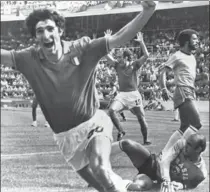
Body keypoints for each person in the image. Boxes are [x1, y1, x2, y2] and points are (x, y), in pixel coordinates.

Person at [0, 2, 157, 192]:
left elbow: (118, 38)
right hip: (64, 138)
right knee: (104, 186)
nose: (46, 35)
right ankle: (144, 184)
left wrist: (147, 12)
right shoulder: (29, 58)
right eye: (40, 31)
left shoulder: (82, 48)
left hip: (93, 123)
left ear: (60, 30)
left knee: (100, 169)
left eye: (50, 28)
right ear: (35, 37)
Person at [159, 29, 208, 154]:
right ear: (186, 41)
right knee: (197, 124)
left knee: (184, 127)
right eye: (194, 39)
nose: (197, 41)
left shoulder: (192, 57)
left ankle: (164, 153)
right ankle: (174, 152)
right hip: (182, 91)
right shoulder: (177, 56)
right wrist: (164, 88)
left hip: (189, 90)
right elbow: (162, 72)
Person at [111, 133, 207, 191]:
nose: (185, 145)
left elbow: (191, 184)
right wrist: (167, 180)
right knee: (127, 144)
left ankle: (114, 183)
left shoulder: (201, 173)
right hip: (151, 163)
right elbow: (166, 160)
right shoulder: (181, 144)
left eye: (189, 145)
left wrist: (181, 185)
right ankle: (97, 155)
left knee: (140, 186)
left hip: (152, 179)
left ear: (198, 149)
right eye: (187, 142)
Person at [106, 31, 151, 144]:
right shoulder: (117, 65)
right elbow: (106, 55)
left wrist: (142, 42)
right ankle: (121, 131)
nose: (119, 58)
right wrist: (107, 41)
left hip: (133, 94)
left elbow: (146, 55)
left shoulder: (135, 64)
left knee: (141, 118)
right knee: (111, 111)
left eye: (121, 57)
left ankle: (145, 140)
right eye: (120, 57)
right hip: (122, 95)